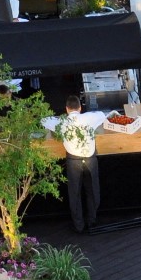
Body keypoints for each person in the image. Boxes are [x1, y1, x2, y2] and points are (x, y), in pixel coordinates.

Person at [46, 95, 105, 233]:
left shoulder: (61, 122)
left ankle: (79, 225)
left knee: (75, 193)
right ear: (80, 108)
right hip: (90, 159)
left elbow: (45, 120)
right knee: (92, 190)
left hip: (73, 161)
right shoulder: (89, 118)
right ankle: (92, 221)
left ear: (67, 109)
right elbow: (102, 115)